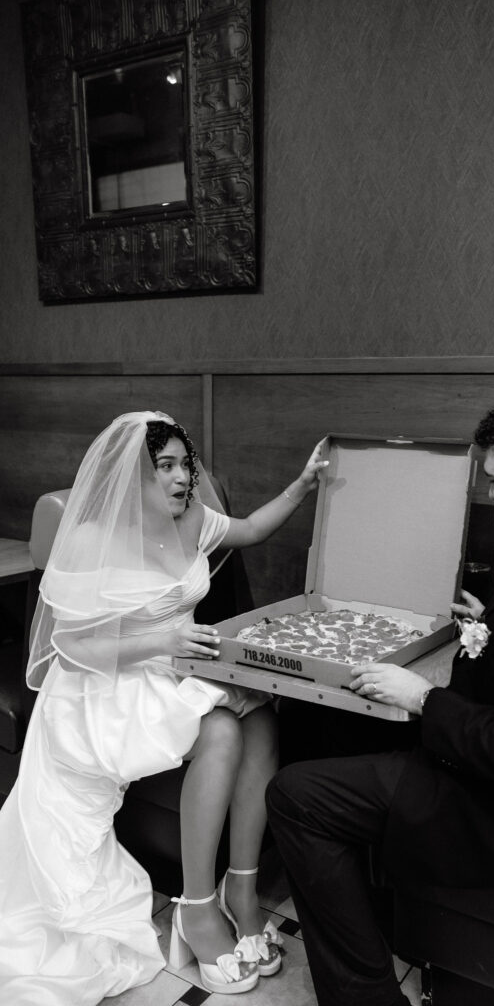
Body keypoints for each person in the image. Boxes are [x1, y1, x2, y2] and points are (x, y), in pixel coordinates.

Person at [266, 393, 494, 1006]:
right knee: (320, 728)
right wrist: (492, 625)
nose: (489, 495)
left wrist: (422, 698)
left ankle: (366, 996)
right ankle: (384, 918)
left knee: (293, 796)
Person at [0, 410, 327, 1004]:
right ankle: (195, 909)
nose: (183, 479)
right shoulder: (94, 538)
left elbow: (252, 528)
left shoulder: (195, 519)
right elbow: (69, 646)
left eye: (186, 466)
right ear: (133, 479)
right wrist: (163, 642)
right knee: (223, 731)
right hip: (104, 684)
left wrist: (300, 488)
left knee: (262, 721)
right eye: (166, 468)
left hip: (176, 669)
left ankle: (242, 890)